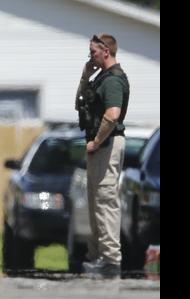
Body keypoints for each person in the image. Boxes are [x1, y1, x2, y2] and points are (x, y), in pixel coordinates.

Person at [77, 34, 130, 279]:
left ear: (106, 51)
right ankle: (98, 257)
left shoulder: (113, 81)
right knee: (95, 202)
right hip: (99, 146)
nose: (91, 55)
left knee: (106, 201)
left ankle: (110, 261)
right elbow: (80, 103)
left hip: (107, 145)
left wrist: (96, 141)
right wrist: (85, 75)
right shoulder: (100, 78)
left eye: (94, 51)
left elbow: (112, 114)